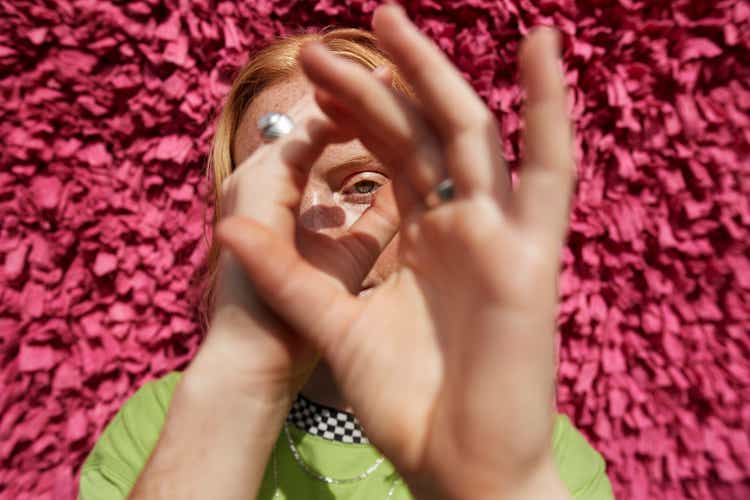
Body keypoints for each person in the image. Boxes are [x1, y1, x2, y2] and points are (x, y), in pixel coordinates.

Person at [78, 4, 613, 499]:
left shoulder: (548, 462)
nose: (310, 226)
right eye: (275, 195)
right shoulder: (159, 431)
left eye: (362, 185)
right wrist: (242, 383)